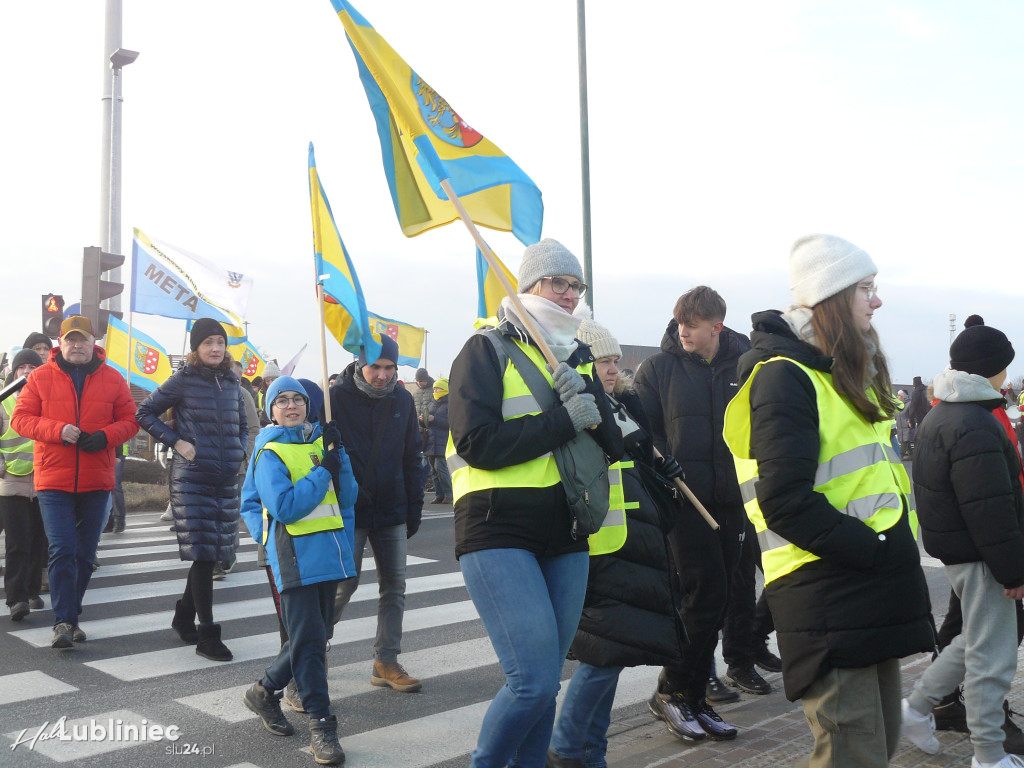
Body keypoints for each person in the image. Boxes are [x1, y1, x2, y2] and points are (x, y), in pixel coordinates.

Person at [722, 234, 934, 767]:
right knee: (851, 752)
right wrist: (876, 550)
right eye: (866, 289)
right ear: (833, 298)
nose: (877, 301)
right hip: (828, 592)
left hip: (856, 589)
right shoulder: (785, 378)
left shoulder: (832, 374)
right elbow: (784, 501)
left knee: (872, 747)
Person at [446, 238, 623, 767]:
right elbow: (476, 443)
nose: (569, 294)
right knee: (532, 681)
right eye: (558, 283)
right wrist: (563, 417)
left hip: (566, 531)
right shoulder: (485, 349)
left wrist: (588, 389)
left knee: (545, 685)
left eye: (576, 286)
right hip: (497, 527)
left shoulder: (575, 354)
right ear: (528, 286)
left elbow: (611, 446)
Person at [549, 319, 691, 765]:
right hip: (601, 542)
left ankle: (592, 752)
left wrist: (664, 476)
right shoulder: (580, 405)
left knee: (616, 649)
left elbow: (641, 469)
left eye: (613, 361)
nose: (609, 369)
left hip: (636, 539)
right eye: (599, 361)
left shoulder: (626, 405)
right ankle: (568, 747)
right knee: (605, 651)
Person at [632, 285, 758, 741]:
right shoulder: (658, 369)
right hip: (684, 502)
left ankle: (695, 695)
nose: (682, 331)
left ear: (716, 327)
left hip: (732, 501)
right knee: (701, 597)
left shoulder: (745, 366)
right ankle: (670, 691)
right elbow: (642, 433)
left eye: (692, 324)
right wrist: (664, 468)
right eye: (679, 322)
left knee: (721, 598)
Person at [901, 321, 1024, 768]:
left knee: (973, 640)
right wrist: (1015, 572)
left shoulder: (945, 412)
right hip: (984, 557)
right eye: (1004, 368)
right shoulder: (974, 422)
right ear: (990, 369)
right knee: (992, 658)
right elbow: (989, 509)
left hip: (963, 553)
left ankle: (915, 709)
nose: (1007, 379)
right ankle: (989, 754)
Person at [240, 376, 356, 766]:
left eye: (298, 400)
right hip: (293, 557)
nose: (291, 406)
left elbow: (349, 496)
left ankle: (263, 691)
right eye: (281, 401)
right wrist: (270, 540)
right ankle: (323, 726)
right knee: (308, 645)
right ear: (270, 410)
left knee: (314, 635)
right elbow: (284, 508)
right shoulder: (269, 452)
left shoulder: (325, 443)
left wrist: (339, 460)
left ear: (309, 406)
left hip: (329, 552)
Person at [11, 315, 138, 648]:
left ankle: (71, 613)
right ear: (61, 343)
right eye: (71, 340)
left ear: (93, 343)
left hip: (97, 480)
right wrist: (57, 430)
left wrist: (105, 437)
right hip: (53, 479)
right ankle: (64, 621)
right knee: (63, 549)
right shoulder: (39, 378)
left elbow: (130, 421)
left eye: (83, 340)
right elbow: (21, 419)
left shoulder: (113, 378)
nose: (77, 345)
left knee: (84, 554)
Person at [135, 318, 246, 662]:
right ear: (196, 348)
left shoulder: (231, 381)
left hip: (225, 478)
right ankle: (207, 635)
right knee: (202, 553)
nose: (215, 348)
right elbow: (144, 412)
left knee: (211, 553)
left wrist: (240, 448)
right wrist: (177, 442)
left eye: (220, 342)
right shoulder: (183, 379)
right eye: (208, 342)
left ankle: (184, 616)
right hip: (193, 478)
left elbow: (242, 423)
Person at [329, 333, 427, 692]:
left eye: (389, 368)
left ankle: (386, 661)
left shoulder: (401, 398)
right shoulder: (335, 398)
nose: (382, 375)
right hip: (350, 509)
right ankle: (311, 650)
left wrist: (414, 506)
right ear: (360, 363)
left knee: (394, 588)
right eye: (375, 367)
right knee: (343, 585)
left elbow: (412, 456)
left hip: (392, 507)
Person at [1, 349, 47, 621]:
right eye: (23, 367)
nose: (28, 371)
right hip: (11, 483)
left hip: (43, 482)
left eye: (33, 366)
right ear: (14, 372)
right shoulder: (5, 401)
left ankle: (31, 591)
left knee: (38, 540)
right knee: (17, 542)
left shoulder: (46, 400)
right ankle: (16, 597)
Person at [213, 358, 261, 580]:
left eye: (238, 374)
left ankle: (227, 555)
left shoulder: (243, 395)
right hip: (212, 463)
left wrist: (246, 456)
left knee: (231, 510)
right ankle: (214, 554)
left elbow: (253, 429)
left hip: (237, 463)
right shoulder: (211, 391)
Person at [423, 377, 452, 504]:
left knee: (440, 467)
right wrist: (423, 420)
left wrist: (433, 419)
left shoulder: (450, 403)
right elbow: (428, 423)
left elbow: (451, 423)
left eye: (438, 388)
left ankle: (449, 494)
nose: (435, 390)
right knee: (433, 471)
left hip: (443, 441)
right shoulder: (432, 403)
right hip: (431, 441)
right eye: (434, 388)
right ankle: (439, 495)